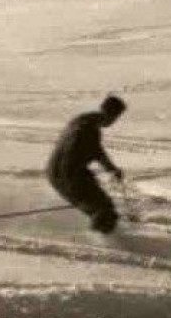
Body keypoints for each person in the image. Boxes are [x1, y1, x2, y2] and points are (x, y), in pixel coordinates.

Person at [46, 94, 127, 233]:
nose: (113, 121)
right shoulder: (90, 130)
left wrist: (110, 169)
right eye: (115, 117)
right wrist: (112, 169)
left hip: (53, 172)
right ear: (112, 115)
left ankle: (98, 233)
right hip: (70, 175)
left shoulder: (81, 121)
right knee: (104, 210)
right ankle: (104, 242)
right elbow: (97, 152)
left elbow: (94, 151)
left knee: (97, 208)